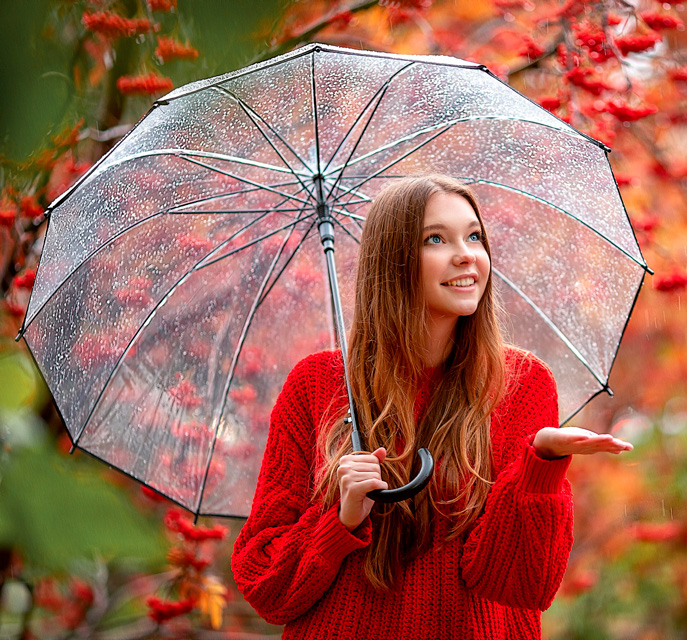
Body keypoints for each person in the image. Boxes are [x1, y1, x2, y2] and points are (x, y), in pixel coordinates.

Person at [231, 174, 632, 639]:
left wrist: (541, 465)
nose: (466, 254)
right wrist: (338, 521)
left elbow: (523, 585)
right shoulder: (318, 385)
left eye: (475, 236)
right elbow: (266, 586)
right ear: (394, 260)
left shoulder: (521, 385)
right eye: (436, 239)